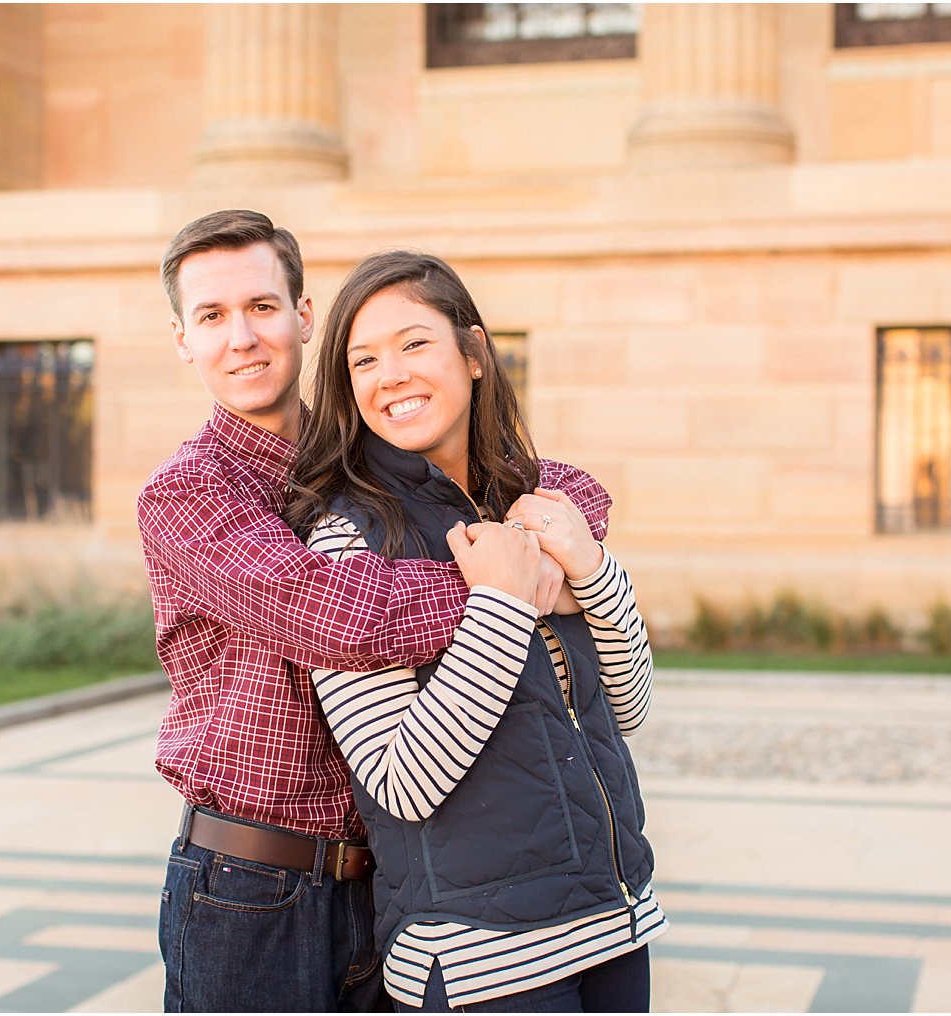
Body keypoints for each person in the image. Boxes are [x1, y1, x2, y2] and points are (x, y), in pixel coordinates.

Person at [137, 210, 618, 1012]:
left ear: (302, 316)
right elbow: (337, 616)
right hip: (252, 888)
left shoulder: (360, 459)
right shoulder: (188, 492)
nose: (243, 338)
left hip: (391, 883)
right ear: (183, 339)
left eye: (261, 308)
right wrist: (509, 583)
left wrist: (571, 547)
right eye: (211, 317)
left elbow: (559, 486)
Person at [286, 250, 667, 1012]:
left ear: (475, 353)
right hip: (481, 962)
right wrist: (501, 602)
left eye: (414, 343)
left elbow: (629, 708)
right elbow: (400, 781)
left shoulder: (531, 506)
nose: (389, 374)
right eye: (364, 359)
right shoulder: (346, 539)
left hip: (613, 925)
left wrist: (589, 568)